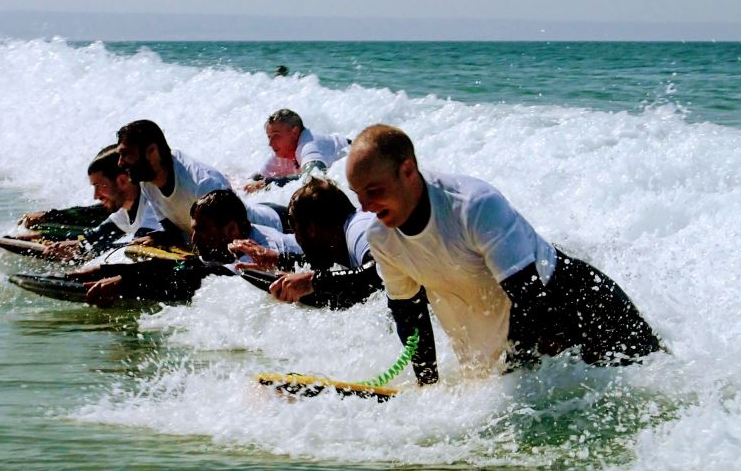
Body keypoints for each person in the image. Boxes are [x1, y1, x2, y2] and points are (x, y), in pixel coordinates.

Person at [345, 124, 662, 384]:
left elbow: (529, 299)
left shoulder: (473, 206)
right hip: (531, 327)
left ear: (408, 170)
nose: (365, 207)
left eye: (374, 191)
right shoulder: (381, 236)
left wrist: (510, 384)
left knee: (658, 385)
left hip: (585, 309)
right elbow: (409, 315)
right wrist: (428, 386)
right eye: (358, 194)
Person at [80, 189, 299, 307]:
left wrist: (126, 282)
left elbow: (201, 275)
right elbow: (194, 266)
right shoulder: (235, 240)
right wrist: (109, 270)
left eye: (202, 230)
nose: (194, 238)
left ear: (232, 229)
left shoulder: (258, 252)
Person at [115, 120, 284, 245]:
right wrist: (160, 238)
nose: (120, 163)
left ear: (152, 151)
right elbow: (175, 231)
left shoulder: (202, 183)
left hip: (277, 226)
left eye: (126, 154)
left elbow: (237, 237)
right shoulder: (147, 182)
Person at [234, 178, 383, 309]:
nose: (297, 239)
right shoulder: (345, 237)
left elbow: (380, 272)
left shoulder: (359, 229)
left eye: (295, 232)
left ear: (311, 229)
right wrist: (278, 260)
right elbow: (329, 267)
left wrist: (312, 282)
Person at [40, 145, 162, 261]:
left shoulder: (153, 206)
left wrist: (83, 252)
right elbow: (98, 236)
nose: (96, 195)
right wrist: (66, 245)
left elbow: (140, 250)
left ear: (122, 181)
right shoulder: (127, 209)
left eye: (99, 186)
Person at [244, 109, 350, 193]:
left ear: (294, 132)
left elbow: (314, 178)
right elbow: (259, 177)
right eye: (269, 137)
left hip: (359, 153)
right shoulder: (282, 154)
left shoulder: (308, 145)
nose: (271, 143)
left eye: (276, 136)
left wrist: (271, 182)